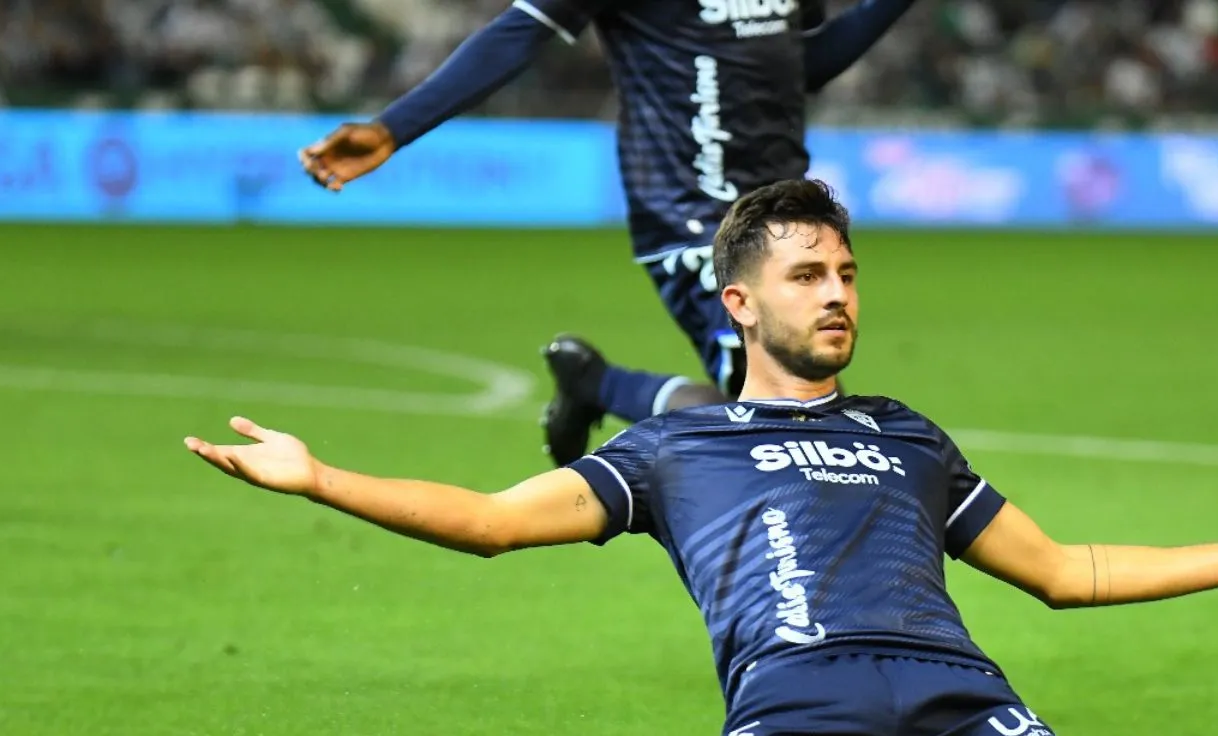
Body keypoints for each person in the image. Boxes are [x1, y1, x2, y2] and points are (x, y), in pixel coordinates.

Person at [186, 179, 1218, 736]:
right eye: (810, 276)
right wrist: (325, 476)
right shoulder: (673, 447)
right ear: (741, 301)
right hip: (800, 702)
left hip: (958, 700)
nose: (839, 295)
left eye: (849, 274)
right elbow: (494, 519)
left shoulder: (906, 435)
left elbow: (1063, 571)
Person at [297, 0, 919, 466]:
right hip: (691, 214)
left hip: (788, 215)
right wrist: (394, 127)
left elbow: (801, 62)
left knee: (777, 420)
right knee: (789, 419)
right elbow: (521, 32)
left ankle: (599, 384)